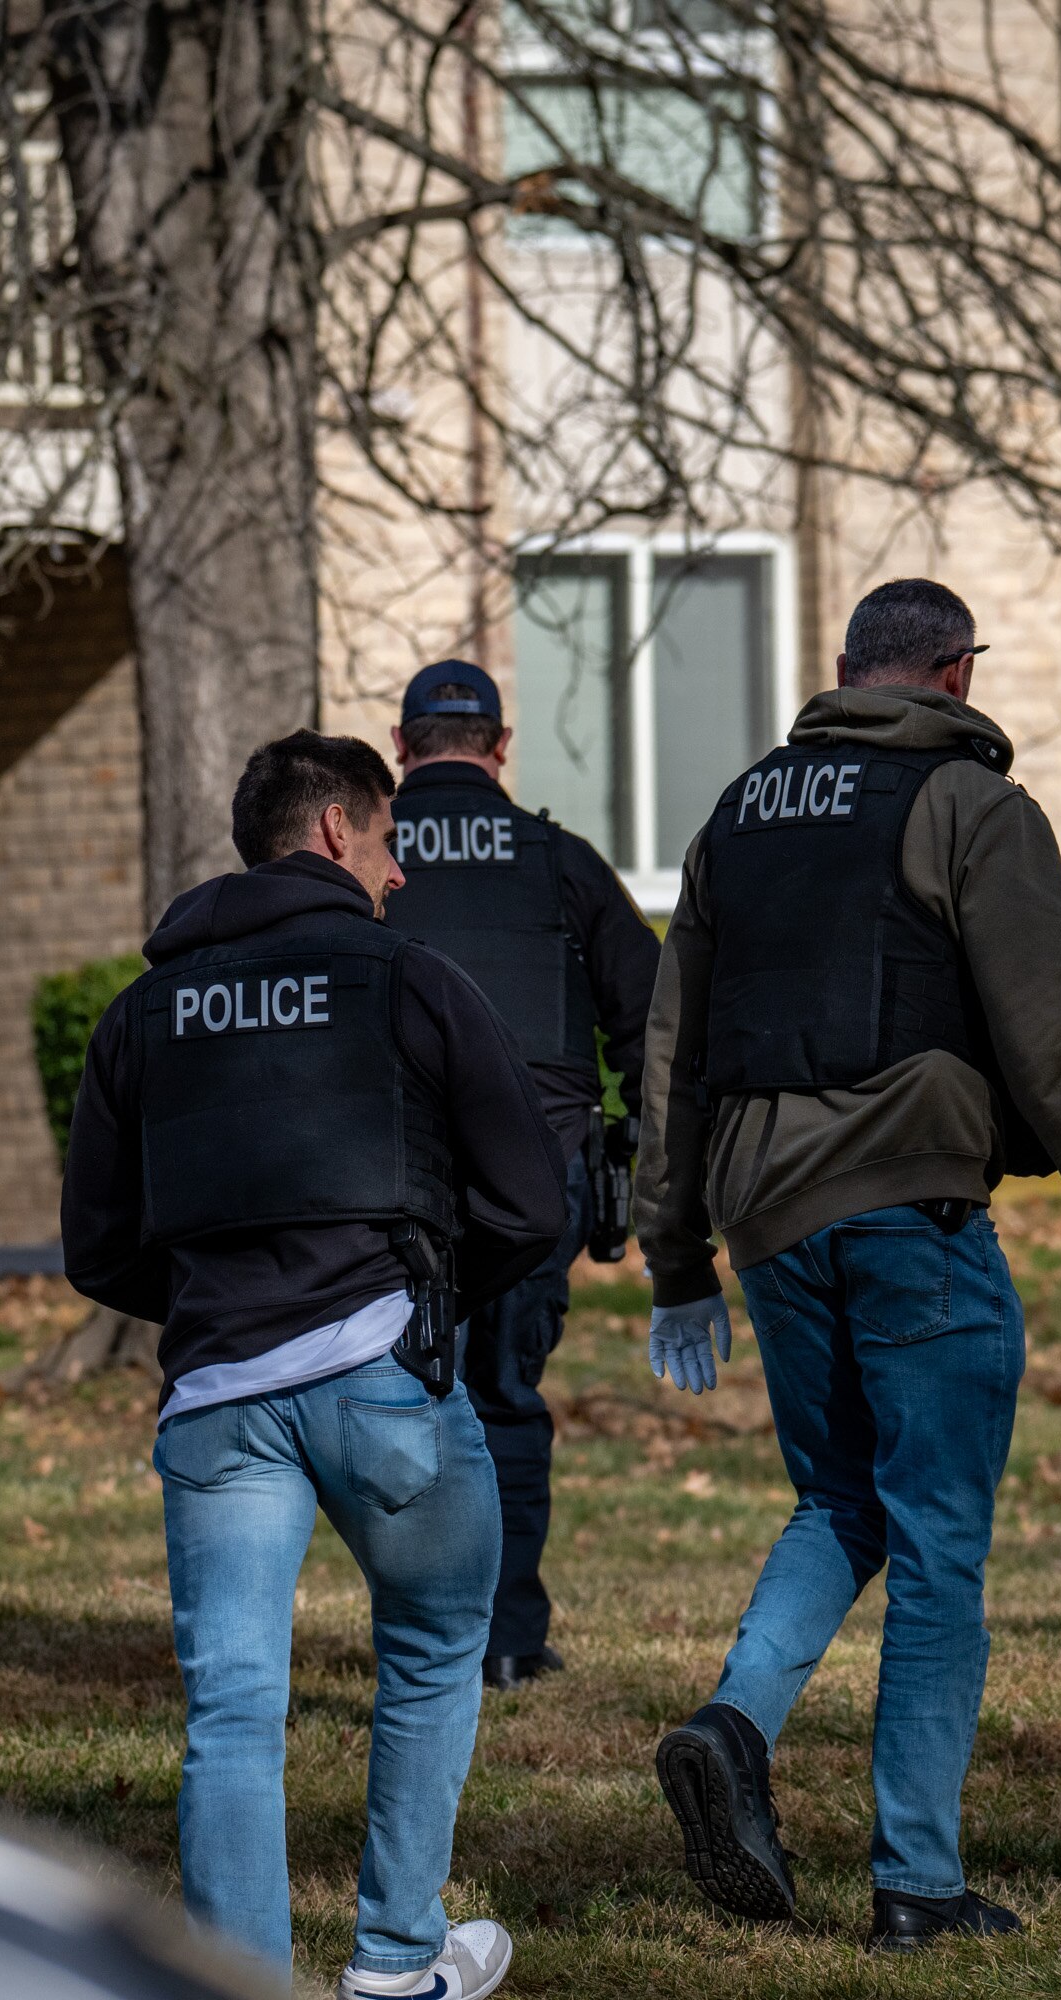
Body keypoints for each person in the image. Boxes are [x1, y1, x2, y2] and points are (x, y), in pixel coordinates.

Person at [631, 580, 1061, 1951]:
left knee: (842, 1498)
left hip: (767, 1218)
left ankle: (733, 1725)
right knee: (940, 1541)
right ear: (954, 674)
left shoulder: (739, 817)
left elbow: (673, 1052)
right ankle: (919, 1882)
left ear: (846, 675)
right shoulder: (973, 810)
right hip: (913, 1215)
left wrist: (673, 1253)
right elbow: (1052, 1038)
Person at [62, 730, 566, 2000]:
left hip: (218, 1400)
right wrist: (432, 1307)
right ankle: (398, 1958)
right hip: (381, 1377)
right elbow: (529, 1201)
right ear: (338, 832)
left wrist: (214, 1303)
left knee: (232, 1711)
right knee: (440, 1637)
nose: (400, 872)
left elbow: (97, 1244)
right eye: (390, 841)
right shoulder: (411, 978)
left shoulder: (143, 1010)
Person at [378, 661, 660, 1690]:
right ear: (501, 747)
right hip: (538, 1175)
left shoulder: (369, 856)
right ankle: (507, 1639)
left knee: (405, 1404)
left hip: (400, 1183)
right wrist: (635, 1145)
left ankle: (421, 1642)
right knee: (505, 1396)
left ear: (403, 746)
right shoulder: (558, 858)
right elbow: (651, 1021)